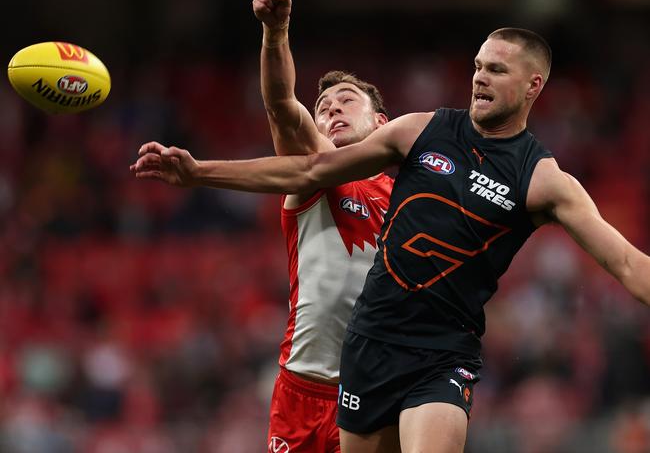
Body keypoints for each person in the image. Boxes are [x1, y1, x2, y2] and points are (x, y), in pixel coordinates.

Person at [131, 27, 650, 453]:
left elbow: (627, 263)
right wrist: (199, 173)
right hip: (368, 346)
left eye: (496, 69)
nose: (479, 78)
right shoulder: (420, 131)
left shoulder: (544, 179)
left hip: (443, 354)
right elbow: (310, 165)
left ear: (534, 85)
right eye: (476, 66)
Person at [245, 0, 394, 452]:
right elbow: (284, 109)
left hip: (380, 387)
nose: (331, 111)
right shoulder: (316, 175)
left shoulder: (412, 197)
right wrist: (276, 32)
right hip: (304, 391)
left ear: (381, 124)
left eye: (347, 100)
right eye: (324, 108)